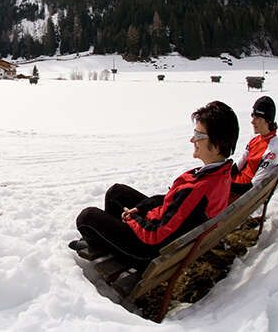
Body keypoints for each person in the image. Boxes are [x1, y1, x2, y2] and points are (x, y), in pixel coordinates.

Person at [70, 101, 238, 266]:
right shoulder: (219, 174)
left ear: (216, 146)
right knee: (117, 193)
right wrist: (142, 208)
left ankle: (104, 244)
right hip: (167, 235)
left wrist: (132, 218)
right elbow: (174, 201)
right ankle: (107, 240)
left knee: (87, 217)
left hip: (150, 253)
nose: (192, 139)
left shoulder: (200, 189)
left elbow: (157, 234)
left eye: (199, 135)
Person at [230, 96, 278, 196]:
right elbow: (239, 165)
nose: (252, 121)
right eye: (253, 116)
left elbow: (253, 188)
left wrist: (227, 186)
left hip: (240, 195)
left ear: (268, 120)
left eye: (257, 117)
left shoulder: (272, 150)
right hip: (235, 184)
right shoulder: (255, 139)